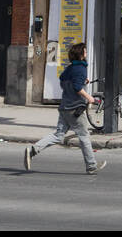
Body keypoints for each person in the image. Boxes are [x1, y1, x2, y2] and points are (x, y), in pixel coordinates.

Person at [24, 43, 106, 175]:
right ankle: (91, 166)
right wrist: (89, 97)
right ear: (81, 54)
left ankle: (33, 149)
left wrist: (81, 82)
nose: (86, 53)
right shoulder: (81, 68)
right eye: (85, 51)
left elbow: (64, 80)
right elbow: (77, 87)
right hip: (75, 109)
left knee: (58, 135)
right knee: (84, 136)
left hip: (64, 107)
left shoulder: (70, 68)